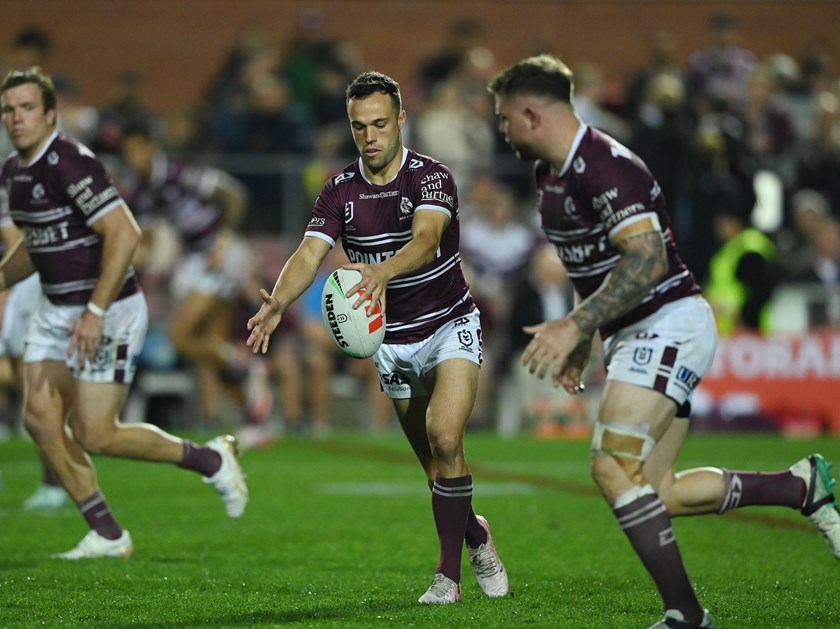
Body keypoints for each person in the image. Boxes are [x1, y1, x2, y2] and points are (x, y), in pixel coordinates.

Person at [487, 54, 840, 629]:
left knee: (609, 466)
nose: (500, 131)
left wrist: (574, 326)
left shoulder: (606, 167)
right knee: (660, 491)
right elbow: (591, 268)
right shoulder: (548, 176)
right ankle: (799, 485)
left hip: (669, 320)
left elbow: (648, 260)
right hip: (632, 331)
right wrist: (584, 334)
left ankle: (687, 615)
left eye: (504, 119)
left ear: (531, 114)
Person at [246, 70, 508, 604]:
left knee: (446, 437)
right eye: (359, 126)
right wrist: (278, 300)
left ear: (401, 122)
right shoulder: (339, 190)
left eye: (380, 124)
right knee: (434, 469)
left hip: (447, 323)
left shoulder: (431, 177)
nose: (370, 136)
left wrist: (381, 272)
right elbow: (309, 253)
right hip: (390, 341)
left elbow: (429, 240)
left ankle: (447, 578)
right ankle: (477, 535)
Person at [0, 66, 248, 559]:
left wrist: (95, 310)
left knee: (96, 433)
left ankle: (209, 458)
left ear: (51, 114)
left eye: (28, 107)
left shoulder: (71, 162)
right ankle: (108, 534)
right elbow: (37, 245)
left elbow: (125, 233)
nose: (16, 118)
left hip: (108, 308)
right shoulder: (13, 174)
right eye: (8, 109)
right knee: (41, 419)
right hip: (56, 306)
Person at [118, 119, 273, 433]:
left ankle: (247, 368)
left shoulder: (180, 174)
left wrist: (225, 239)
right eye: (127, 152)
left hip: (220, 255)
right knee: (209, 346)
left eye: (137, 149)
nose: (133, 158)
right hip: (195, 261)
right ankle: (252, 416)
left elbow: (235, 195)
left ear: (151, 147)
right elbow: (145, 243)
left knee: (182, 335)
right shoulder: (140, 194)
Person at [0, 209, 67, 509]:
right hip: (13, 290)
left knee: (32, 389)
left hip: (18, 288)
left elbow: (15, 242)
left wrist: (4, 295)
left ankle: (55, 480)